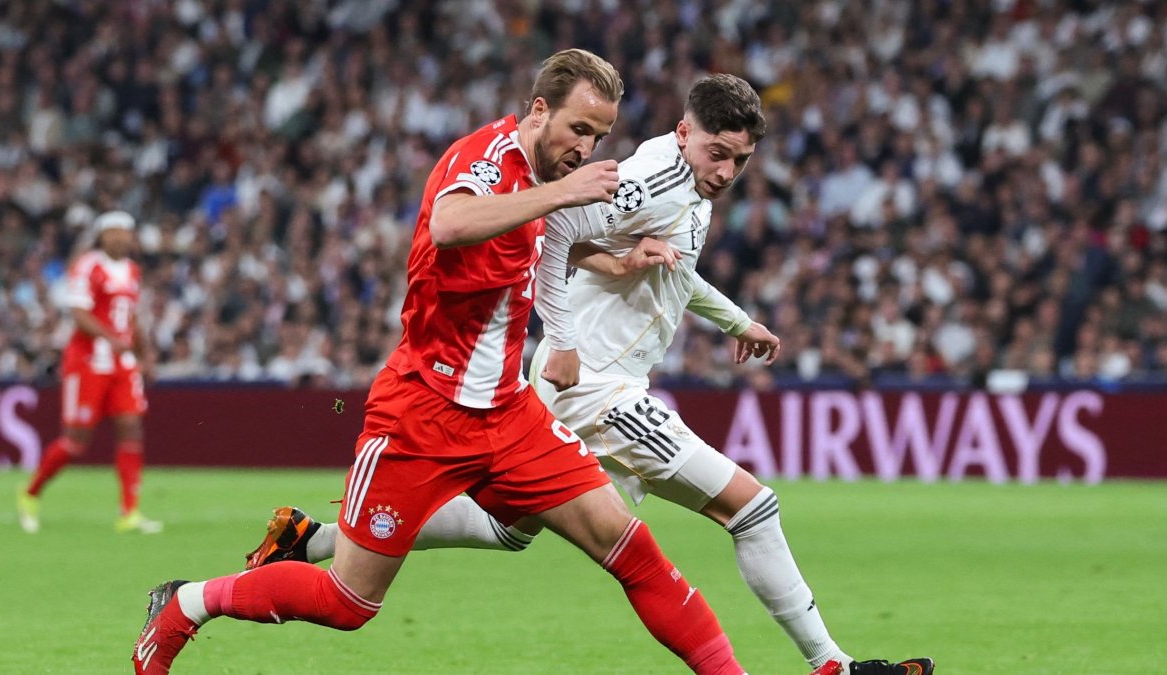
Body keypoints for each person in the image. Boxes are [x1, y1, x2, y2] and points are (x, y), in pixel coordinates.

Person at [242, 75, 934, 675]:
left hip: (581, 385)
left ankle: (309, 539)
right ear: (682, 131)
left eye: (740, 161)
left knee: (506, 528)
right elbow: (561, 226)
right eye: (716, 153)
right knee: (751, 506)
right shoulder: (655, 176)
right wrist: (566, 337)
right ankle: (832, 663)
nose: (724, 172)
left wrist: (736, 321)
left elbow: (673, 270)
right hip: (598, 386)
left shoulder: (693, 186)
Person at [132, 49, 746, 675]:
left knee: (633, 552)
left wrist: (612, 258)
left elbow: (549, 237)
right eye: (578, 129)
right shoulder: (484, 158)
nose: (586, 148)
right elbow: (450, 224)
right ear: (539, 110)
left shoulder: (546, 183)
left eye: (599, 136)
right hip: (421, 412)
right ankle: (185, 604)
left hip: (508, 414)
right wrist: (562, 195)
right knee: (348, 602)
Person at [17, 211, 161, 535]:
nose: (121, 237)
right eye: (114, 232)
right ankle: (30, 493)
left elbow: (133, 317)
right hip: (88, 362)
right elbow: (79, 312)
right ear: (102, 236)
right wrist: (112, 339)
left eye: (126, 232)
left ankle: (130, 512)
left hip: (121, 364)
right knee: (77, 441)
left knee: (131, 428)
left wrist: (145, 354)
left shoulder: (132, 271)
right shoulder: (88, 266)